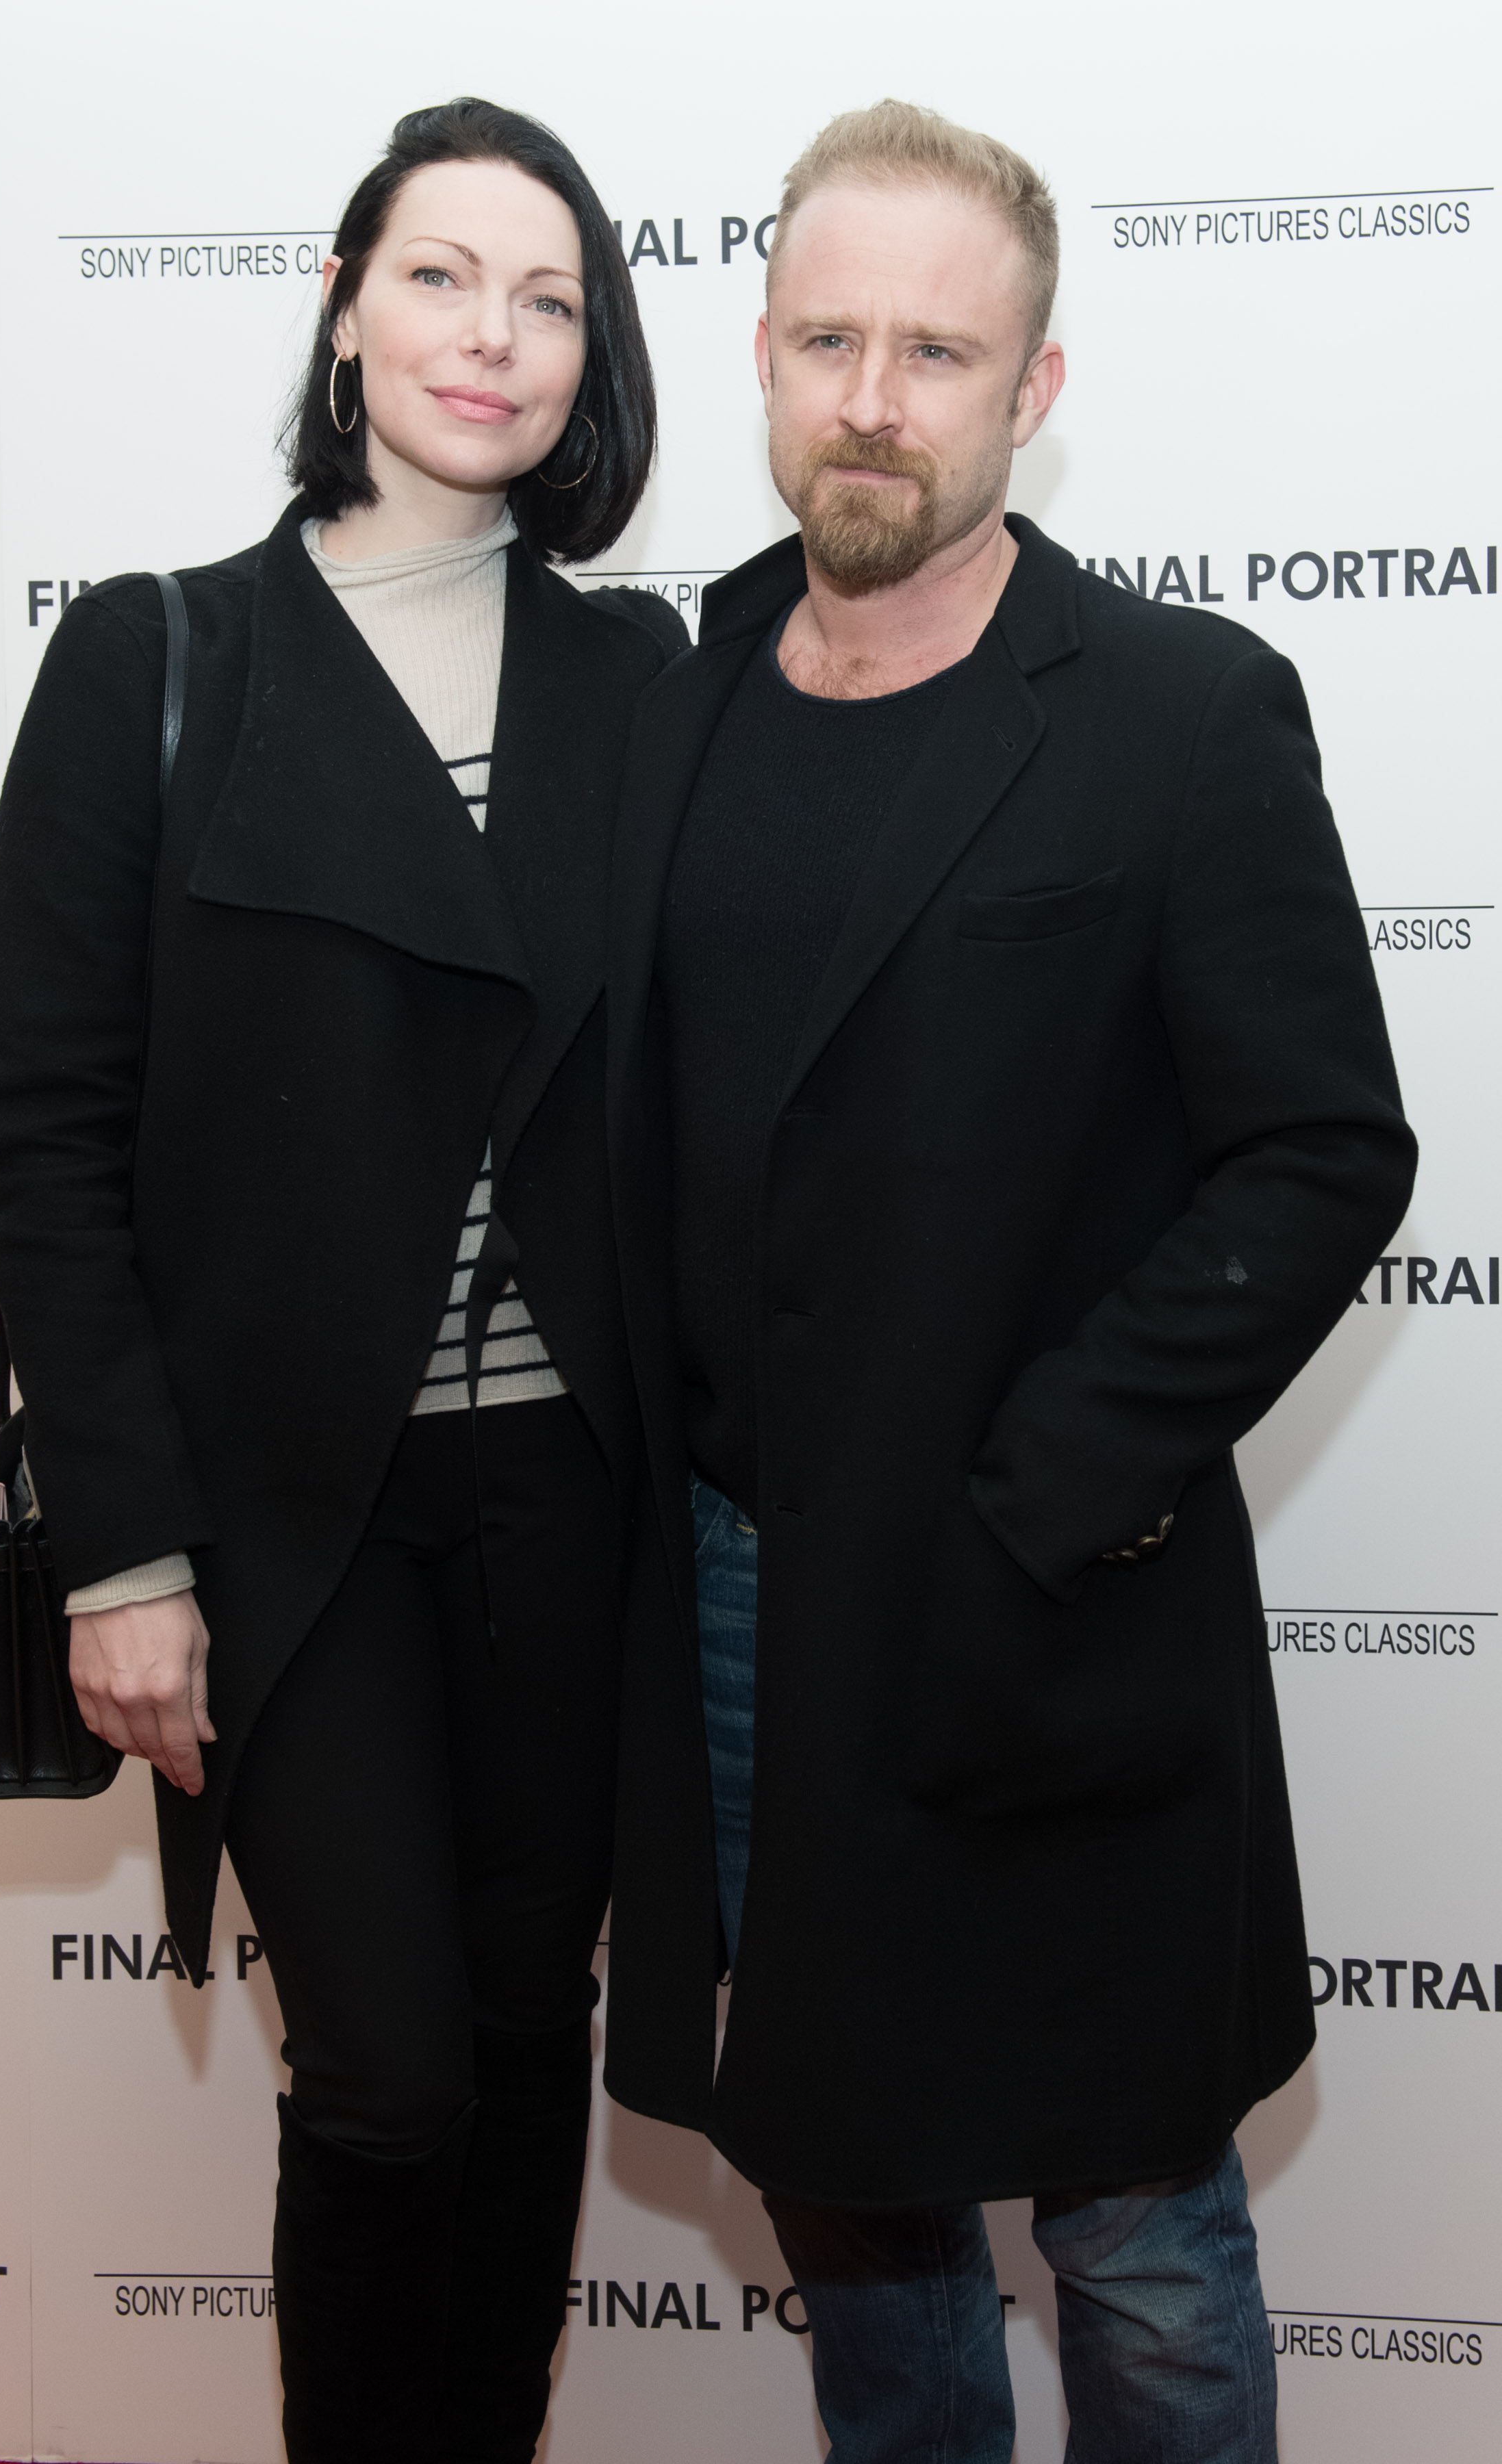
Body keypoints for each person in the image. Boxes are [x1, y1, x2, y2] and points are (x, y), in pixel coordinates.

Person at [601, 100, 1416, 2463]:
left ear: (1032, 388)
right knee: (854, 2205)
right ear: (758, 353)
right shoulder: (677, 702)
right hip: (745, 1609)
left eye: (937, 350)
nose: (874, 394)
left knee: (1138, 2230)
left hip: (1048, 1596)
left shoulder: (1177, 713)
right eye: (830, 336)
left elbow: (1323, 1146)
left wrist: (1062, 1483)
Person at [0, 97, 685, 2464]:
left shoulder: (644, 686)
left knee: (515, 2041)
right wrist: (128, 1549)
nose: (497, 334)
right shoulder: (155, 661)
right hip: (291, 1526)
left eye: (552, 295)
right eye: (445, 274)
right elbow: (47, 1144)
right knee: (382, 2073)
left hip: (571, 1507)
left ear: (598, 355)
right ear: (346, 303)